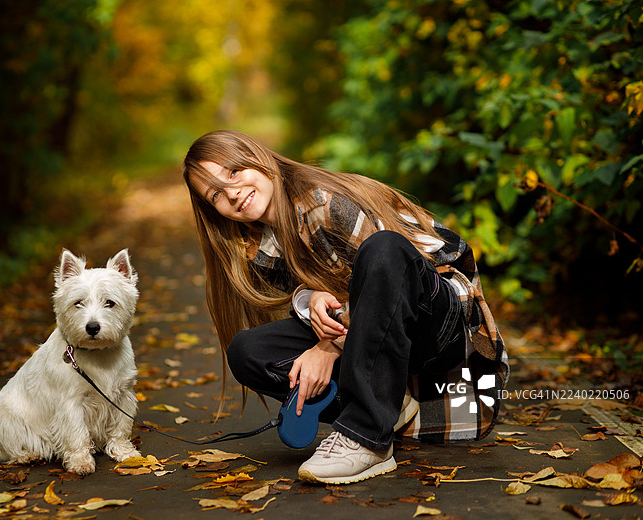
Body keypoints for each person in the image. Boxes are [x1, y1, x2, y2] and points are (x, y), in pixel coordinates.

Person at [182, 130, 509, 484]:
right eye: (216, 194)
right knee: (249, 351)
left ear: (259, 158)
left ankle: (364, 437)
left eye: (233, 172)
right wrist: (310, 297)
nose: (231, 192)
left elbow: (389, 274)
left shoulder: (325, 201)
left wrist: (330, 346)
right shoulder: (260, 249)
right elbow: (341, 285)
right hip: (383, 345)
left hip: (442, 331)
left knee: (384, 248)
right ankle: (391, 406)